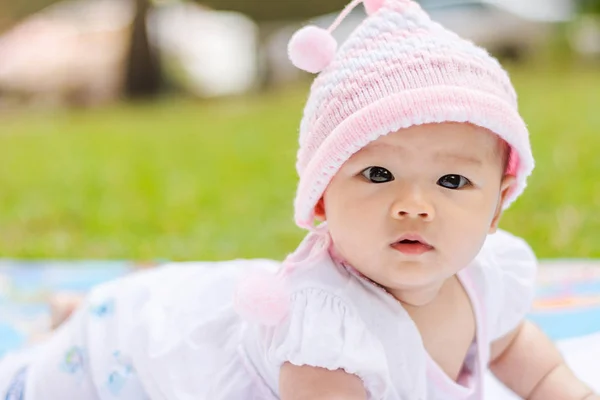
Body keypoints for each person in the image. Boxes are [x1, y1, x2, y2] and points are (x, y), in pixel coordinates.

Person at [0, 0, 597, 398]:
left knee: (190, 302)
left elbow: (526, 356)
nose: (415, 205)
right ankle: (75, 323)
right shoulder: (325, 334)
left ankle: (68, 310)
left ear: (497, 207)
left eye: (452, 182)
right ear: (320, 202)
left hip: (216, 301)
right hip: (143, 353)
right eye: (378, 174)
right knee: (90, 356)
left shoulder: (486, 278)